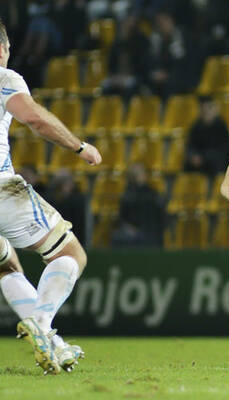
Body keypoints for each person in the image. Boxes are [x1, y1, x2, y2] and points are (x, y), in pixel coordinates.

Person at [0, 20, 102, 374]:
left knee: (5, 264)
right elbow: (33, 119)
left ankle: (53, 344)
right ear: (2, 48)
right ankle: (41, 324)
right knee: (70, 252)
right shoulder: (5, 77)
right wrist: (80, 146)